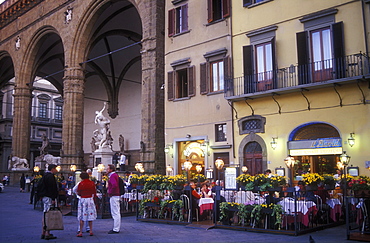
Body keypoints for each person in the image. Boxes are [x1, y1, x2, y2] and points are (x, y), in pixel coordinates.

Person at [40, 164, 59, 240]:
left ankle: (43, 232)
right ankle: (47, 233)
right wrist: (54, 198)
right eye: (56, 169)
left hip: (45, 196)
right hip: (49, 197)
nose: (57, 170)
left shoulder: (44, 176)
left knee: (45, 214)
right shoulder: (50, 177)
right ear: (52, 169)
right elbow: (52, 188)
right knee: (48, 214)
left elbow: (39, 187)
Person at [76, 172, 97, 237]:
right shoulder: (92, 183)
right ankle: (90, 230)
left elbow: (78, 192)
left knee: (82, 215)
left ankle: (81, 232)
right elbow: (94, 191)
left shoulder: (81, 183)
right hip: (90, 199)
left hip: (83, 199)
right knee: (90, 215)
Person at [106, 164, 121, 234]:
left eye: (108, 169)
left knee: (115, 212)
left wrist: (110, 192)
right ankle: (116, 227)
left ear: (111, 170)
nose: (106, 170)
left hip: (114, 195)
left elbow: (114, 185)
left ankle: (116, 228)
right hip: (116, 195)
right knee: (116, 211)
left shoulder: (112, 176)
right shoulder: (115, 175)